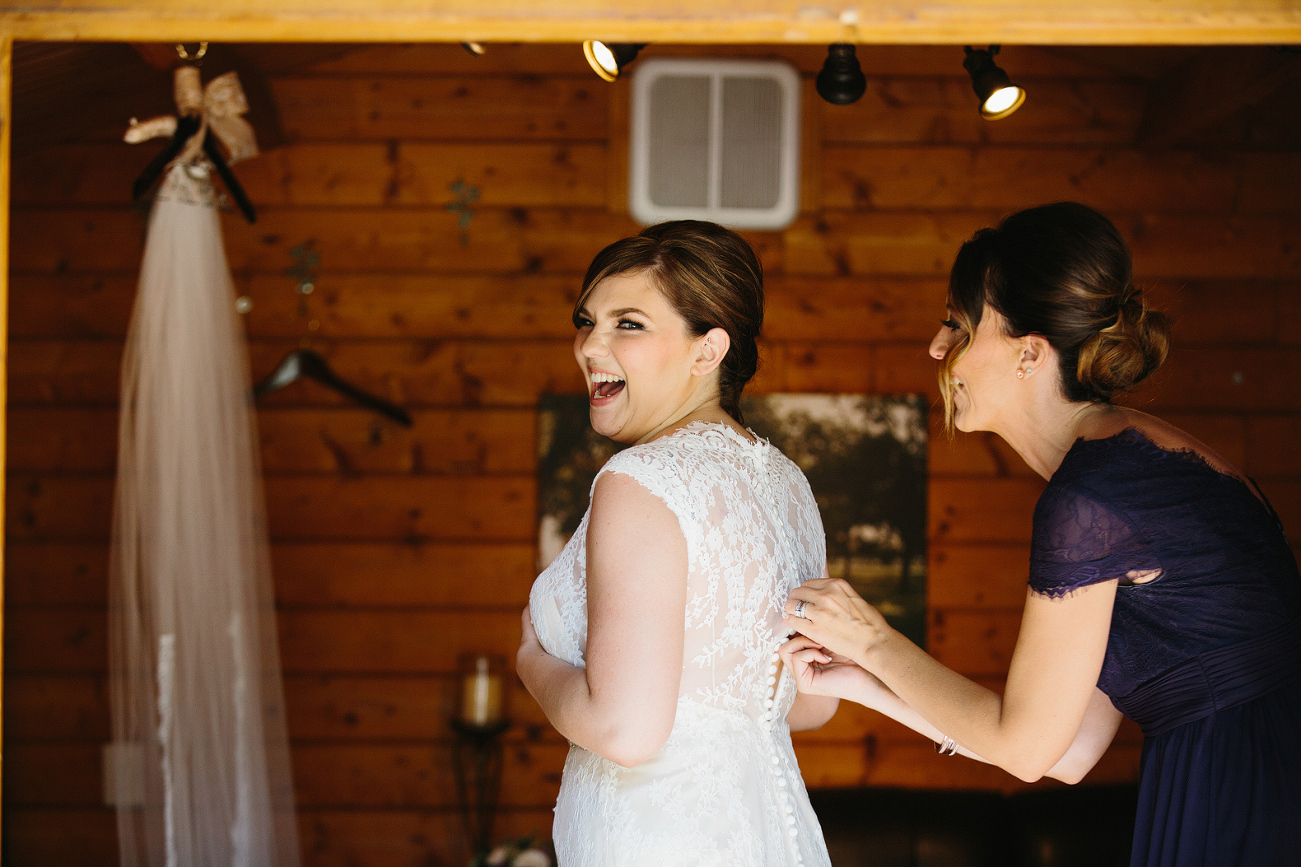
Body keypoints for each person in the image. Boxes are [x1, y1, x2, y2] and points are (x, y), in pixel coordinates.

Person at [780, 202, 1301, 866]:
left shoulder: (1095, 497)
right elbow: (1067, 751)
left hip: (1237, 798)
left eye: (957, 326)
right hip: (1250, 778)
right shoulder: (1131, 470)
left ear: (1028, 350)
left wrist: (874, 639)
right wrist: (860, 682)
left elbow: (1026, 746)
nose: (937, 350)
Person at [518, 220, 836, 867]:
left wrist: (529, 657)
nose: (588, 345)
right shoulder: (785, 483)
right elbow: (808, 701)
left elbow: (623, 730)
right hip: (771, 831)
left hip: (655, 841)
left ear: (707, 349)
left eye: (626, 324)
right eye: (587, 320)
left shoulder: (643, 479)